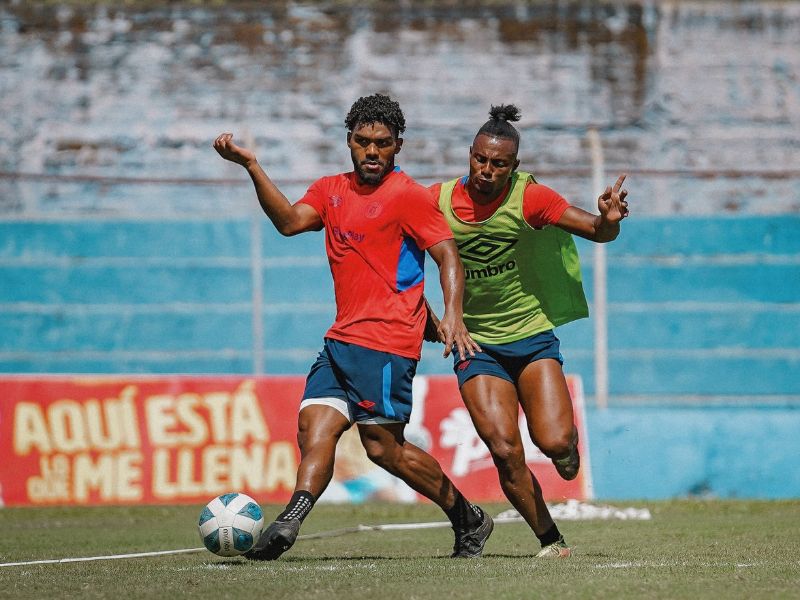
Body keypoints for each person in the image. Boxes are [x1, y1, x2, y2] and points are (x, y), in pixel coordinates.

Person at [213, 93, 490, 560]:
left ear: (397, 145)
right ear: (349, 142)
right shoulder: (329, 190)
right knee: (312, 427)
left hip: (387, 344)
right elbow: (287, 222)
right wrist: (251, 166)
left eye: (382, 143)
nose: (372, 151)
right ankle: (289, 523)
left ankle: (468, 517)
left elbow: (448, 256)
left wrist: (453, 315)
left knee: (384, 450)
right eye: (362, 142)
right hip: (341, 340)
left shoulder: (409, 197)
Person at [427, 104, 629, 558]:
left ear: (514, 167)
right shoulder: (435, 202)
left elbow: (596, 232)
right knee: (503, 447)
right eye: (480, 159)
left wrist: (608, 221)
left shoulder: (530, 197)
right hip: (475, 344)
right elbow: (397, 259)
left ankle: (566, 449)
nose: (486, 170)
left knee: (554, 440)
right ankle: (550, 540)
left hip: (531, 337)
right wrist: (431, 317)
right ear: (470, 154)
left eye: (499, 164)